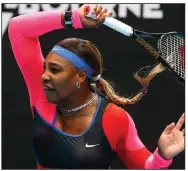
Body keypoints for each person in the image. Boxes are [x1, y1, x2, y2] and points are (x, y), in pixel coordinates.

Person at [8, 4, 185, 169]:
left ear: (81, 76)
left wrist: (162, 155)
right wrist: (74, 18)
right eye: (46, 67)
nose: (44, 76)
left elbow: (145, 166)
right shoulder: (42, 96)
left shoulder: (114, 118)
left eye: (55, 70)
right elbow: (18, 28)